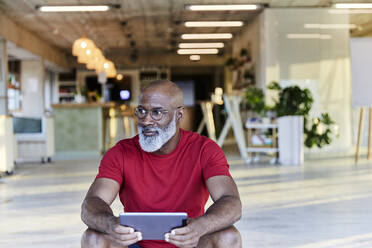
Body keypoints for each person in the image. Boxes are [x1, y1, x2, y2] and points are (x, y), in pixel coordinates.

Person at [81, 80, 242, 248]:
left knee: (229, 236)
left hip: (190, 242)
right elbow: (92, 202)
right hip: (135, 244)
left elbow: (231, 202)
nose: (146, 121)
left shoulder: (204, 149)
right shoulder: (120, 152)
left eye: (157, 112)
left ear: (179, 115)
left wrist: (201, 226)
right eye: (141, 111)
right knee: (93, 237)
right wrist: (110, 225)